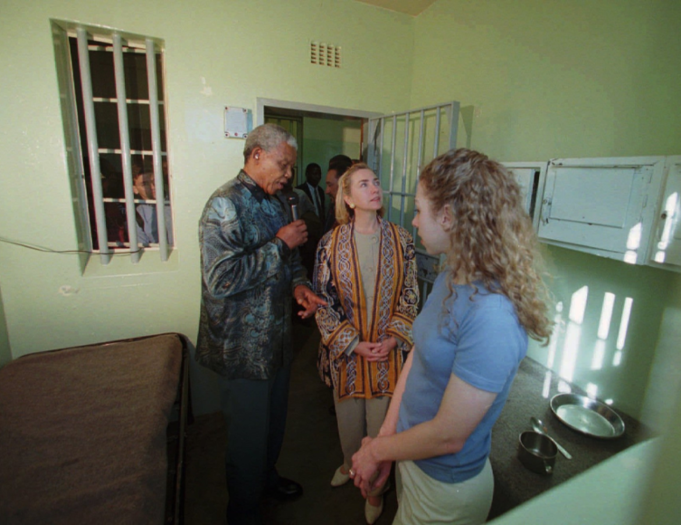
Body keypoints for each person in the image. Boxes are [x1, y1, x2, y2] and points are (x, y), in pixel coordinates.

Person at [350, 149, 553, 525]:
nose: (413, 221)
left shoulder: (493, 313)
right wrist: (386, 439)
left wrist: (377, 451)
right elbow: (418, 356)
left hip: (446, 489)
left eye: (417, 210)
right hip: (411, 458)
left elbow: (447, 436)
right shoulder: (453, 274)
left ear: (446, 217)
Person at [196, 123, 326, 525]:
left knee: (273, 427)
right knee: (247, 439)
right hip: (241, 348)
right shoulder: (223, 206)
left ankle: (265, 480)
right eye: (283, 165)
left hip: (278, 340)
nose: (289, 174)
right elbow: (221, 281)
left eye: (290, 167)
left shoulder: (276, 202)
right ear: (256, 155)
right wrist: (280, 243)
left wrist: (300, 287)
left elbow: (288, 265)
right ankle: (244, 511)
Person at [314, 163, 419, 524]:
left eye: (376, 182)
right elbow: (321, 301)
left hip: (388, 355)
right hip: (347, 356)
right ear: (347, 198)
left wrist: (392, 340)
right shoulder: (330, 243)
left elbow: (410, 294)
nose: (374, 188)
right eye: (363, 184)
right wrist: (352, 343)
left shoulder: (402, 238)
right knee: (348, 425)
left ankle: (375, 491)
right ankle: (348, 464)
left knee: (380, 428)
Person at [132, 170, 173, 246]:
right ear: (135, 189)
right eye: (144, 184)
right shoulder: (137, 215)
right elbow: (144, 249)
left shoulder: (176, 202)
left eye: (155, 181)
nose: (152, 186)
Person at [322, 154, 353, 234]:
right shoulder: (333, 208)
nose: (327, 191)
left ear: (343, 184)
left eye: (330, 185)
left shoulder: (353, 215)